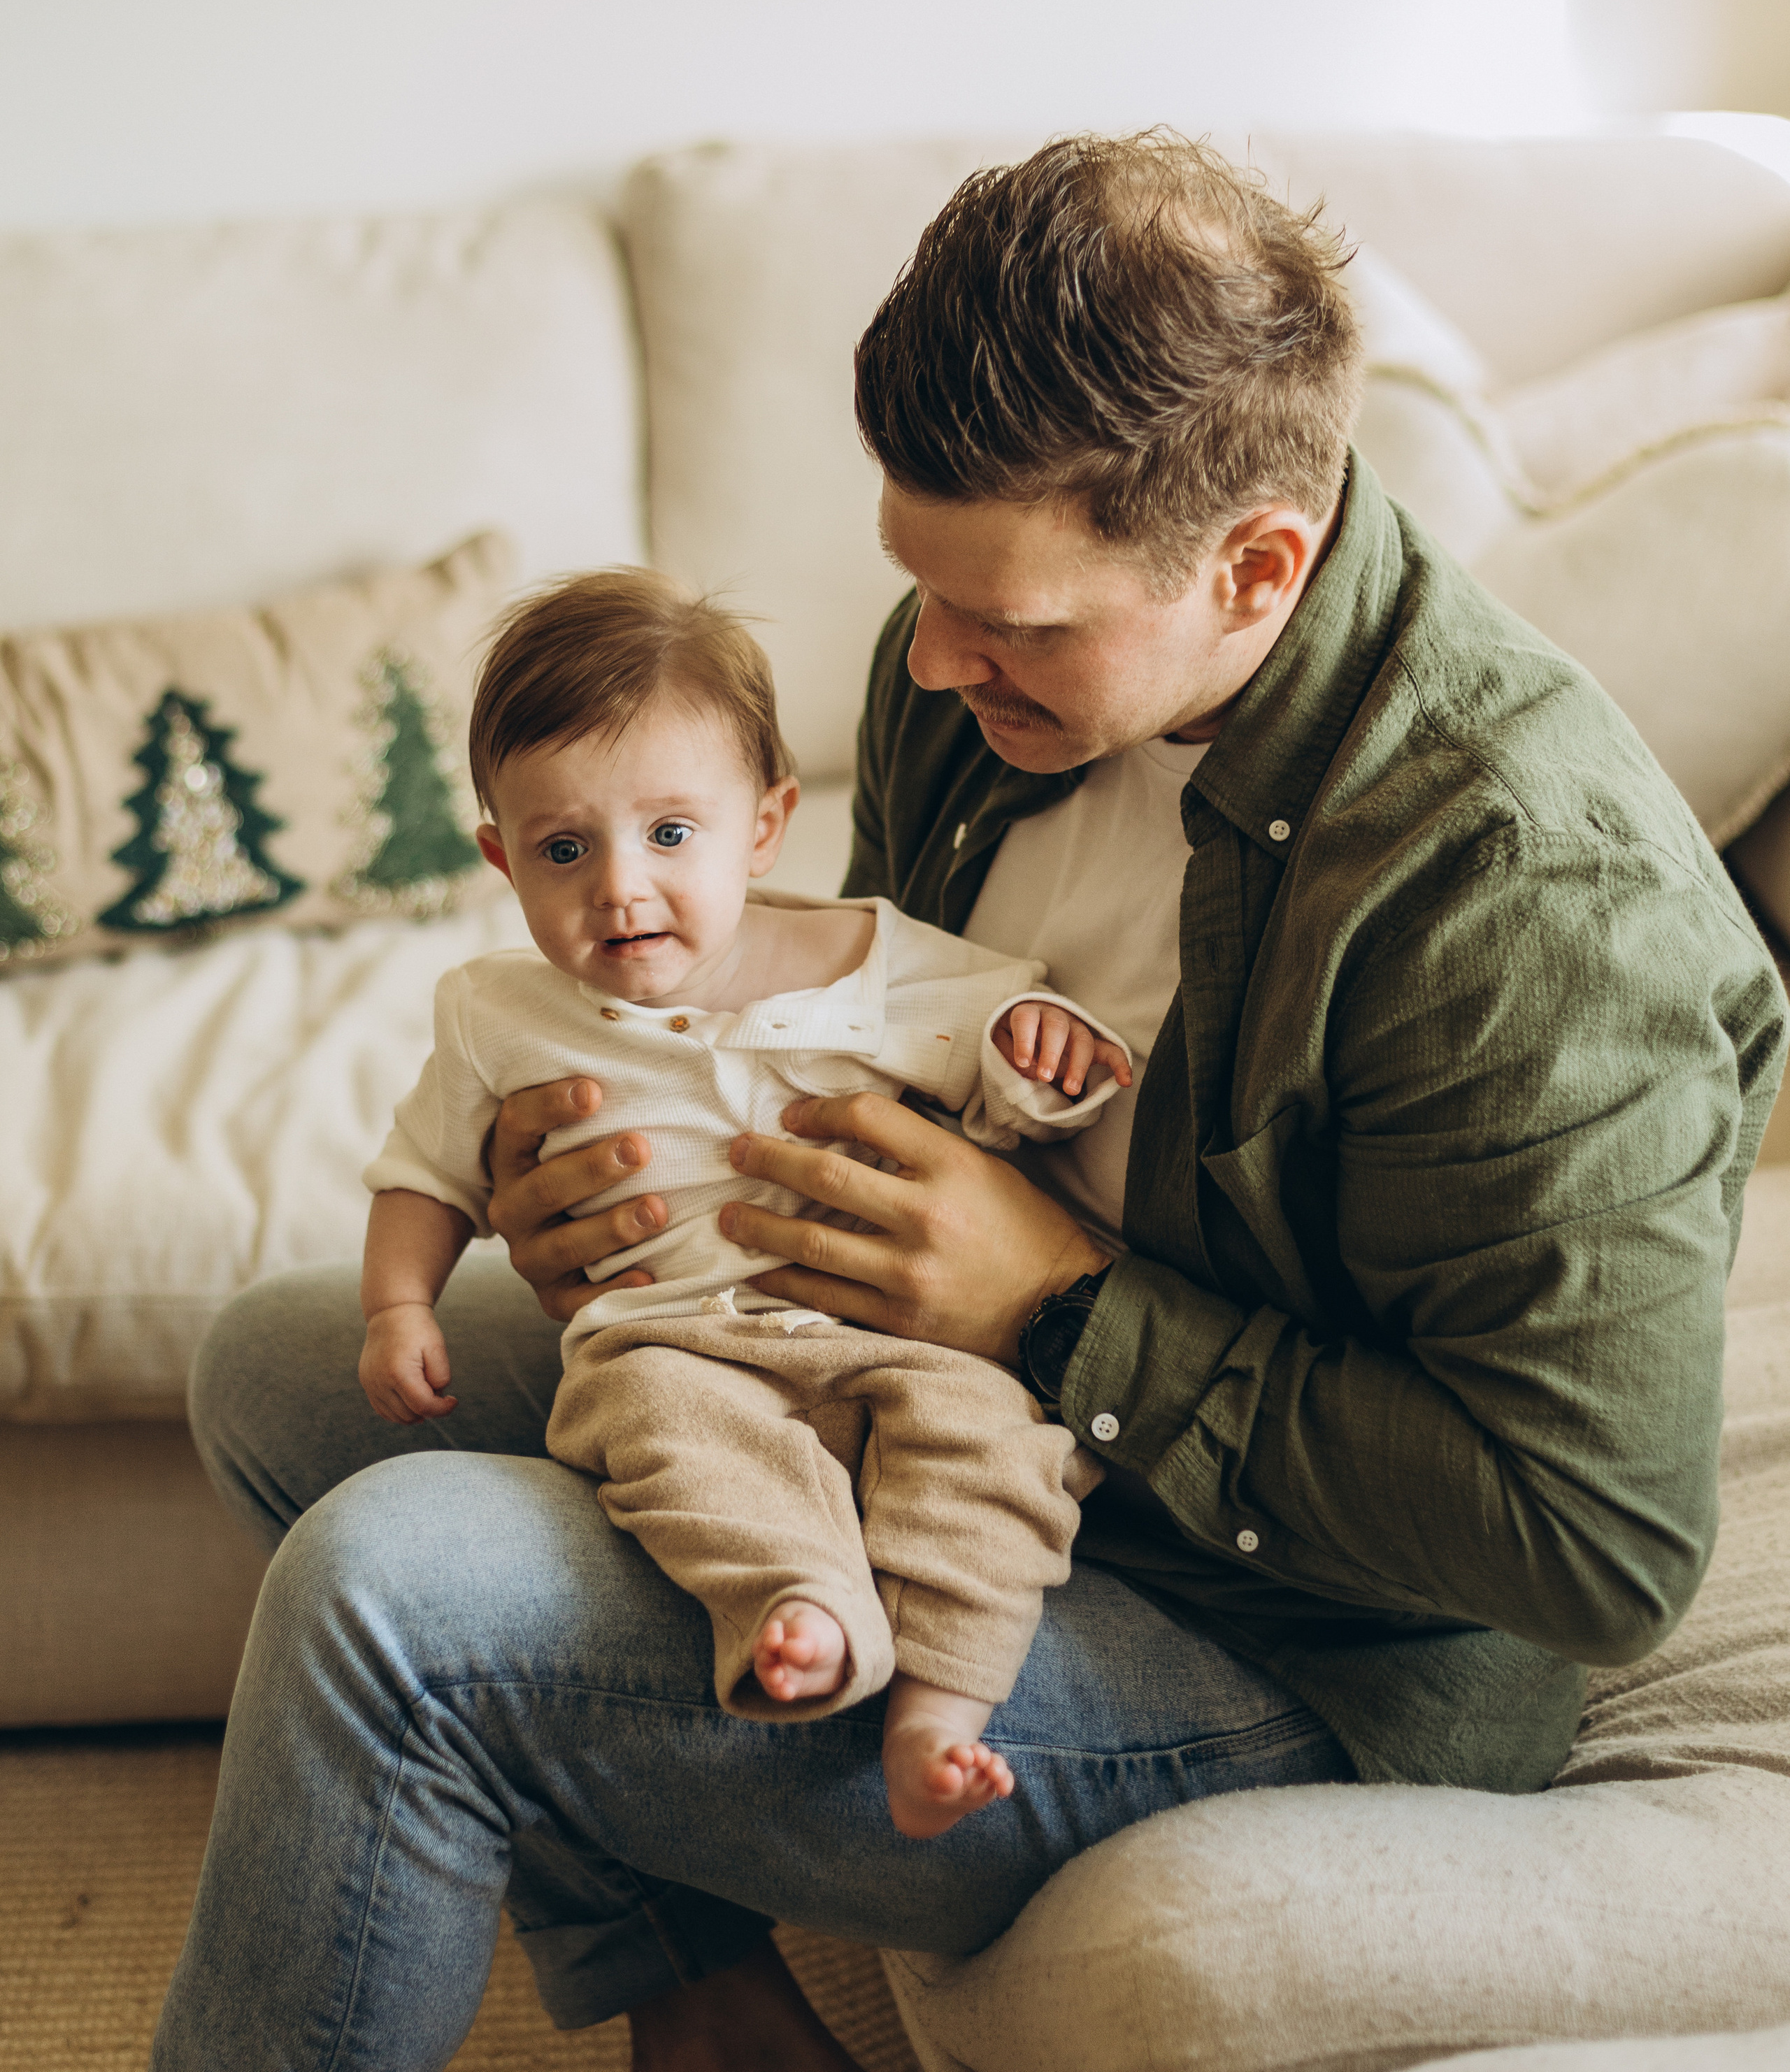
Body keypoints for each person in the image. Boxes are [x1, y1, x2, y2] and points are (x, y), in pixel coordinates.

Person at [155, 132, 1788, 2072]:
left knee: (391, 1598)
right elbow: (860, 1037)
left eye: (1012, 618)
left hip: (1269, 1635)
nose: (931, 662)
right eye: (917, 587)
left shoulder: (1526, 904)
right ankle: (700, 1983)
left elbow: (1591, 1547)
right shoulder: (971, 674)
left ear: (1254, 566)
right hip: (884, 1401)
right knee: (283, 1368)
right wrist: (601, 1178)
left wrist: (1054, 1303)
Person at [358, 567, 1130, 1835]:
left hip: (908, 1338)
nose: (620, 887)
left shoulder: (874, 961)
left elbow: (1004, 1053)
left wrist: (1038, 1051)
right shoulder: (498, 1010)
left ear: (764, 827)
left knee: (1000, 1450)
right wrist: (399, 1306)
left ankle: (941, 1709)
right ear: (501, 857)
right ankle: (797, 1608)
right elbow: (424, 1171)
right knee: (662, 1439)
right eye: (565, 850)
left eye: (671, 835)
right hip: (675, 1343)